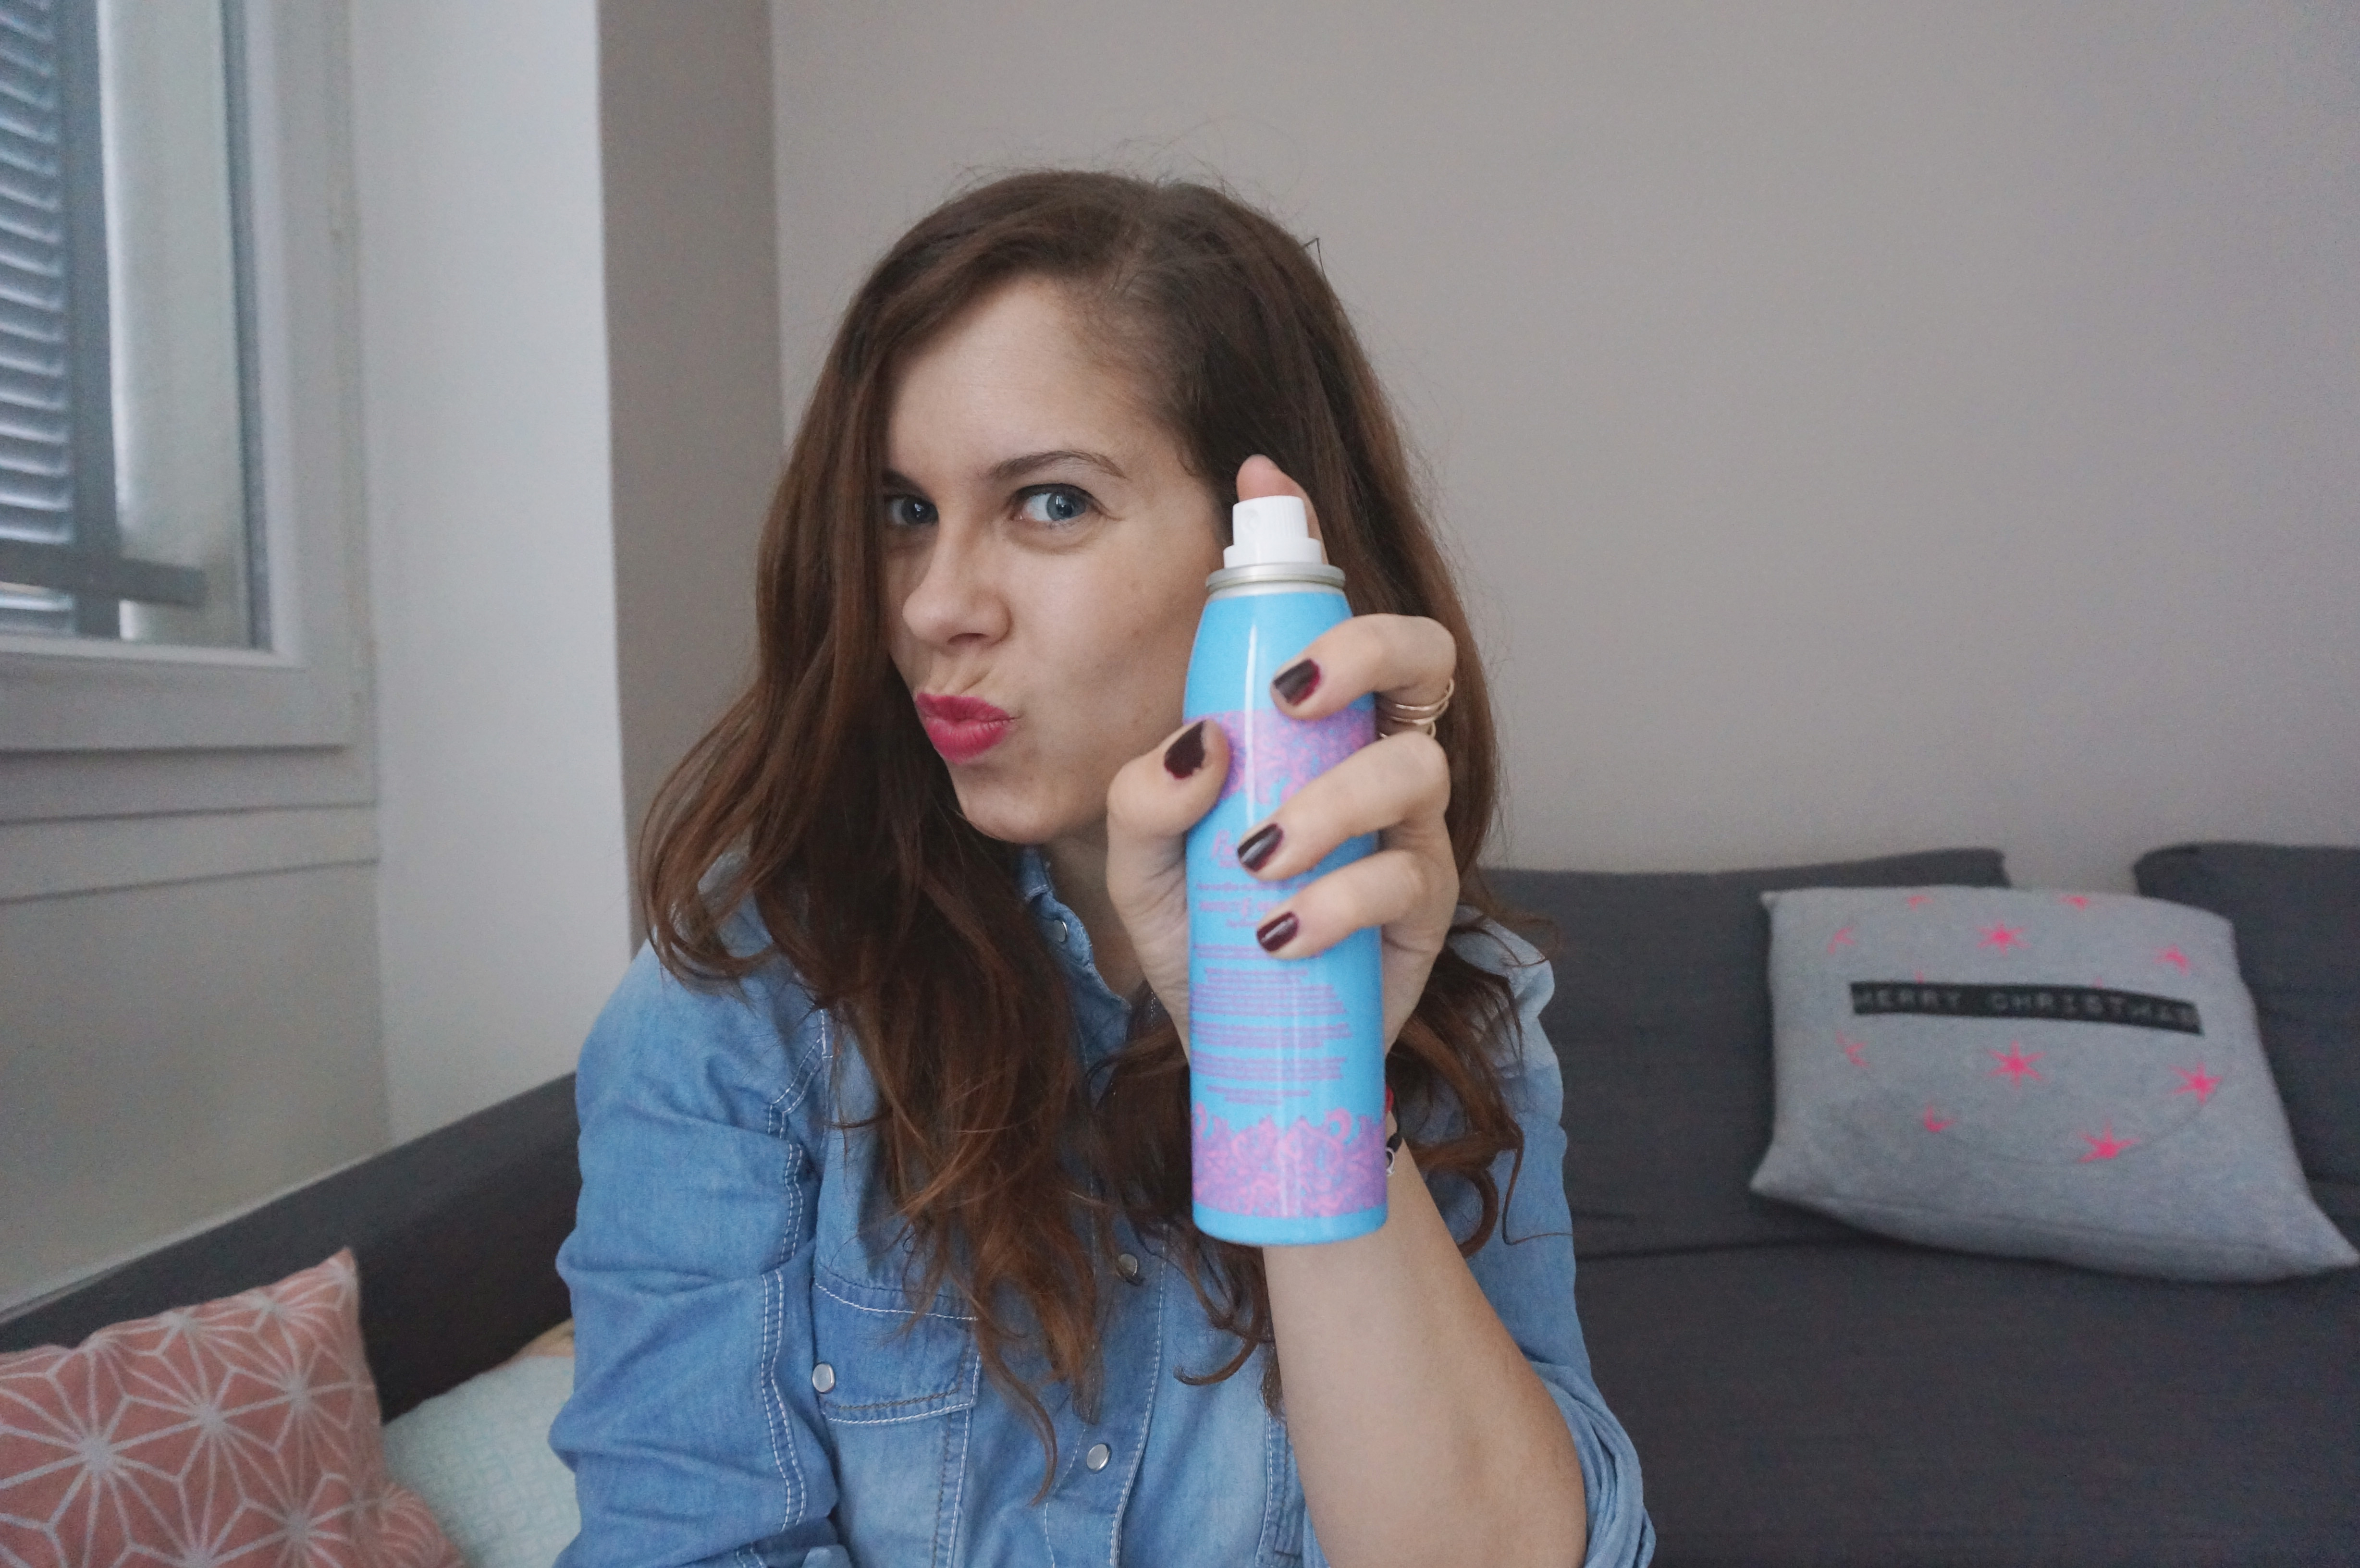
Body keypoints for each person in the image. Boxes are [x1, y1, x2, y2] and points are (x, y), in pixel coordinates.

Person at [551, 169, 1653, 1568]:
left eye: (1052, 502)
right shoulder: (743, 1013)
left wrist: (1300, 1079)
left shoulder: (1460, 994)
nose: (936, 606)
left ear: (1260, 561)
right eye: (901, 511)